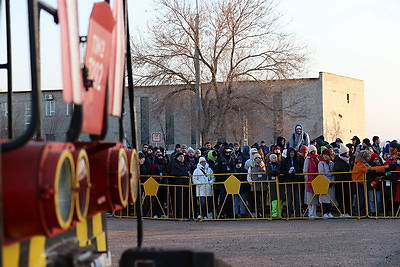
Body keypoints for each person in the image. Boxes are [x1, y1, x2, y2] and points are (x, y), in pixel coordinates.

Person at [352, 150, 389, 216]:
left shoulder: (362, 162)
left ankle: (362, 212)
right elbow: (370, 170)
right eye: (369, 156)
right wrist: (383, 168)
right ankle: (359, 213)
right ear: (364, 157)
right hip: (358, 182)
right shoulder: (360, 164)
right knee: (360, 198)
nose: (370, 158)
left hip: (361, 182)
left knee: (363, 198)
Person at [280, 147, 303, 217]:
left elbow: (301, 169)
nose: (292, 154)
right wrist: (287, 172)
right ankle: (289, 213)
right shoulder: (285, 161)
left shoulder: (298, 160)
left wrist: (296, 171)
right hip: (288, 181)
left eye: (293, 152)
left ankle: (298, 213)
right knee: (289, 198)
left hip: (296, 181)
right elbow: (282, 170)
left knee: (297, 198)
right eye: (290, 152)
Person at [170, 152, 191, 218]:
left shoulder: (185, 164)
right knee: (179, 201)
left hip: (186, 185)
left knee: (185, 200)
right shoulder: (175, 164)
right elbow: (174, 173)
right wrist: (185, 174)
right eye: (180, 157)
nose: (182, 158)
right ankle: (179, 215)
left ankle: (186, 214)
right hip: (179, 185)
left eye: (183, 156)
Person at [333, 144, 352, 217]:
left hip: (347, 182)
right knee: (341, 197)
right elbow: (337, 171)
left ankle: (347, 211)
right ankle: (343, 212)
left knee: (347, 197)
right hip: (341, 182)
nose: (348, 153)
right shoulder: (338, 160)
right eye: (346, 152)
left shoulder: (348, 160)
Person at [247, 153, 267, 218]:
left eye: (259, 158)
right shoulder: (251, 167)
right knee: (257, 200)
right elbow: (249, 176)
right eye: (256, 158)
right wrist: (251, 183)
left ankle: (263, 212)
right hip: (255, 186)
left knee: (263, 200)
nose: (258, 159)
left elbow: (266, 175)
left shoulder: (264, 166)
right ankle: (257, 213)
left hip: (263, 185)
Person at [318, 149, 336, 218]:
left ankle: (329, 211)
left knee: (330, 198)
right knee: (324, 198)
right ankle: (325, 212)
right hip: (324, 182)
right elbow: (321, 173)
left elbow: (333, 172)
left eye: (327, 155)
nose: (325, 156)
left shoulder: (331, 163)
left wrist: (332, 181)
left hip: (331, 182)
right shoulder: (321, 163)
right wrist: (327, 181)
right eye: (324, 155)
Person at [303, 145, 319, 217]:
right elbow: (305, 170)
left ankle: (314, 212)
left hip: (316, 180)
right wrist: (307, 179)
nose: (314, 152)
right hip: (309, 181)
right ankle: (310, 213)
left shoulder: (317, 159)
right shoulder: (308, 159)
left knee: (315, 198)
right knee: (310, 198)